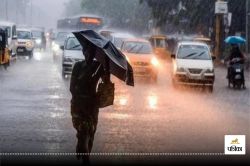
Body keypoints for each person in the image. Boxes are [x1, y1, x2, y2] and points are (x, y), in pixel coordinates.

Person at [70, 43, 109, 164]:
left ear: (94, 54)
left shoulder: (99, 67)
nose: (88, 54)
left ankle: (84, 151)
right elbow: (72, 87)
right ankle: (84, 152)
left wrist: (106, 69)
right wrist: (79, 97)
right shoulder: (77, 66)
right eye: (86, 51)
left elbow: (106, 82)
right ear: (83, 52)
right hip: (78, 105)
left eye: (91, 52)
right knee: (82, 131)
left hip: (92, 106)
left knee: (90, 133)